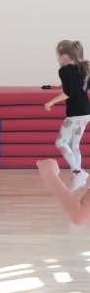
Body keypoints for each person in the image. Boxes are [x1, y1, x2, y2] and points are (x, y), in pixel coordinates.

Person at [43, 39, 90, 191]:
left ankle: (77, 173)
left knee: (61, 143)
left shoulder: (65, 70)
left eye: (57, 56)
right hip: (86, 113)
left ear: (64, 57)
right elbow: (83, 89)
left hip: (75, 114)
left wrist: (51, 102)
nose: (57, 60)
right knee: (74, 145)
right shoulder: (84, 68)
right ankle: (77, 177)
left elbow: (69, 92)